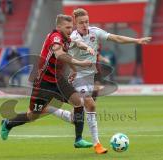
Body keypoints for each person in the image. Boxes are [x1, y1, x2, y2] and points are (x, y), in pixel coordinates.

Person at [46, 8, 152, 154]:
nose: (85, 25)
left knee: (75, 117)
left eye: (87, 22)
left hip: (91, 76)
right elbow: (65, 57)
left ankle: (49, 109)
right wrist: (74, 70)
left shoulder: (95, 32)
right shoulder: (72, 39)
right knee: (91, 104)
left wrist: (137, 40)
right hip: (78, 78)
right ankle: (97, 144)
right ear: (75, 24)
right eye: (81, 23)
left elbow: (116, 38)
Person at [0, 14, 95, 148]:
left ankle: (78, 139)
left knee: (78, 102)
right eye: (67, 27)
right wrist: (80, 63)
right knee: (32, 115)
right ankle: (8, 123)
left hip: (59, 80)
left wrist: (84, 49)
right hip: (43, 83)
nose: (70, 30)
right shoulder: (55, 37)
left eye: (71, 27)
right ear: (59, 27)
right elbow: (60, 54)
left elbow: (74, 43)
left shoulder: (66, 38)